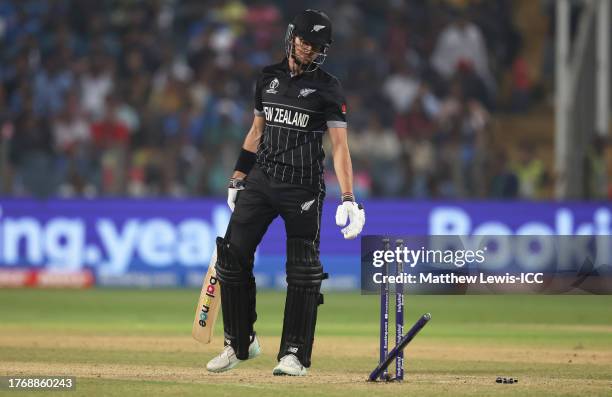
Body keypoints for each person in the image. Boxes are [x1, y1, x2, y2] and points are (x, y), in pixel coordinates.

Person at [206, 9, 365, 376]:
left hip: (303, 186)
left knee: (303, 271)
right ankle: (238, 343)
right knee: (231, 256)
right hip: (262, 179)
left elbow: (340, 147)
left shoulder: (329, 87)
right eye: (305, 42)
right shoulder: (267, 78)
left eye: (317, 46)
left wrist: (348, 197)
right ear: (292, 37)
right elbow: (256, 132)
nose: (309, 50)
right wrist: (237, 177)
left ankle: (294, 354)